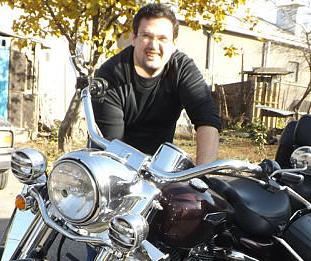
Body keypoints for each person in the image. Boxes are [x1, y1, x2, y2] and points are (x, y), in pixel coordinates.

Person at [91, 2, 221, 165]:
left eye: (162, 38)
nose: (153, 46)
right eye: (146, 36)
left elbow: (207, 119)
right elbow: (113, 149)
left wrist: (202, 174)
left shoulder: (182, 69)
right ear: (134, 38)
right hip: (112, 162)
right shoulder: (110, 75)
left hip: (160, 164)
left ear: (174, 44)